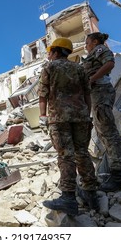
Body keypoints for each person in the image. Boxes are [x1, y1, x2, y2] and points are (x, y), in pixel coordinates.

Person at [38, 37, 99, 215]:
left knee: (66, 156)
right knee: (82, 153)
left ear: (56, 52)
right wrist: (87, 114)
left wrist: (42, 116)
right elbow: (88, 94)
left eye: (50, 52)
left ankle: (68, 198)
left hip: (59, 118)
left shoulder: (49, 67)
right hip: (81, 117)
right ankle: (91, 194)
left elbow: (43, 94)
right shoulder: (80, 68)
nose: (48, 55)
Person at [82, 32, 121, 192]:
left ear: (95, 42)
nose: (86, 46)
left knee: (109, 132)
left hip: (101, 91)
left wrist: (92, 79)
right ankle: (114, 172)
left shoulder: (100, 49)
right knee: (103, 132)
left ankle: (119, 176)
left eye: (87, 43)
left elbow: (109, 64)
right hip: (96, 94)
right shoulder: (93, 53)